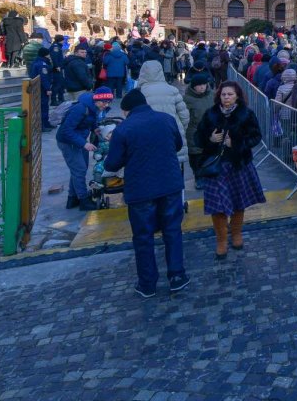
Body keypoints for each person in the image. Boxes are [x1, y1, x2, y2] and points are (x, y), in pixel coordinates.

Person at [103, 89, 188, 297]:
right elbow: (177, 145)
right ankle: (177, 276)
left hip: (141, 190)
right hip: (169, 185)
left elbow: (112, 163)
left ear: (126, 111)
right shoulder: (166, 119)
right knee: (173, 231)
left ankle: (147, 283)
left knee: (143, 237)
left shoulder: (124, 129)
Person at [196, 81, 267, 258]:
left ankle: (236, 233)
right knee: (217, 206)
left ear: (237, 96)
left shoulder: (246, 114)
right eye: (223, 94)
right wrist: (210, 139)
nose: (226, 97)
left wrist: (236, 143)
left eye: (230, 94)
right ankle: (221, 240)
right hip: (215, 167)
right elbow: (197, 137)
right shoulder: (210, 114)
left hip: (238, 165)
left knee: (238, 202)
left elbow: (256, 136)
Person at [56, 87, 114, 210]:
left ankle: (72, 199)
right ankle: (83, 201)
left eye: (109, 102)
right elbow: (66, 130)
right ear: (97, 99)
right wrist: (84, 144)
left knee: (79, 168)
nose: (106, 105)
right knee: (79, 169)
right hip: (68, 142)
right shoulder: (80, 108)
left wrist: (94, 128)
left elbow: (91, 119)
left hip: (78, 139)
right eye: (104, 102)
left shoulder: (94, 107)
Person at [183, 72, 215, 185]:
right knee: (196, 156)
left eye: (204, 84)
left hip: (211, 130)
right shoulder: (187, 99)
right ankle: (198, 177)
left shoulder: (212, 95)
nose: (202, 87)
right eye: (199, 85)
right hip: (194, 131)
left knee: (210, 155)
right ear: (193, 86)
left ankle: (208, 175)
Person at [28, 47, 53, 131]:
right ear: (46, 54)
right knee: (43, 107)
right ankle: (42, 125)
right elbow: (43, 77)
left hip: (38, 87)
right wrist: (48, 88)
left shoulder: (37, 61)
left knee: (43, 106)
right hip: (41, 88)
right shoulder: (42, 64)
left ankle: (45, 123)